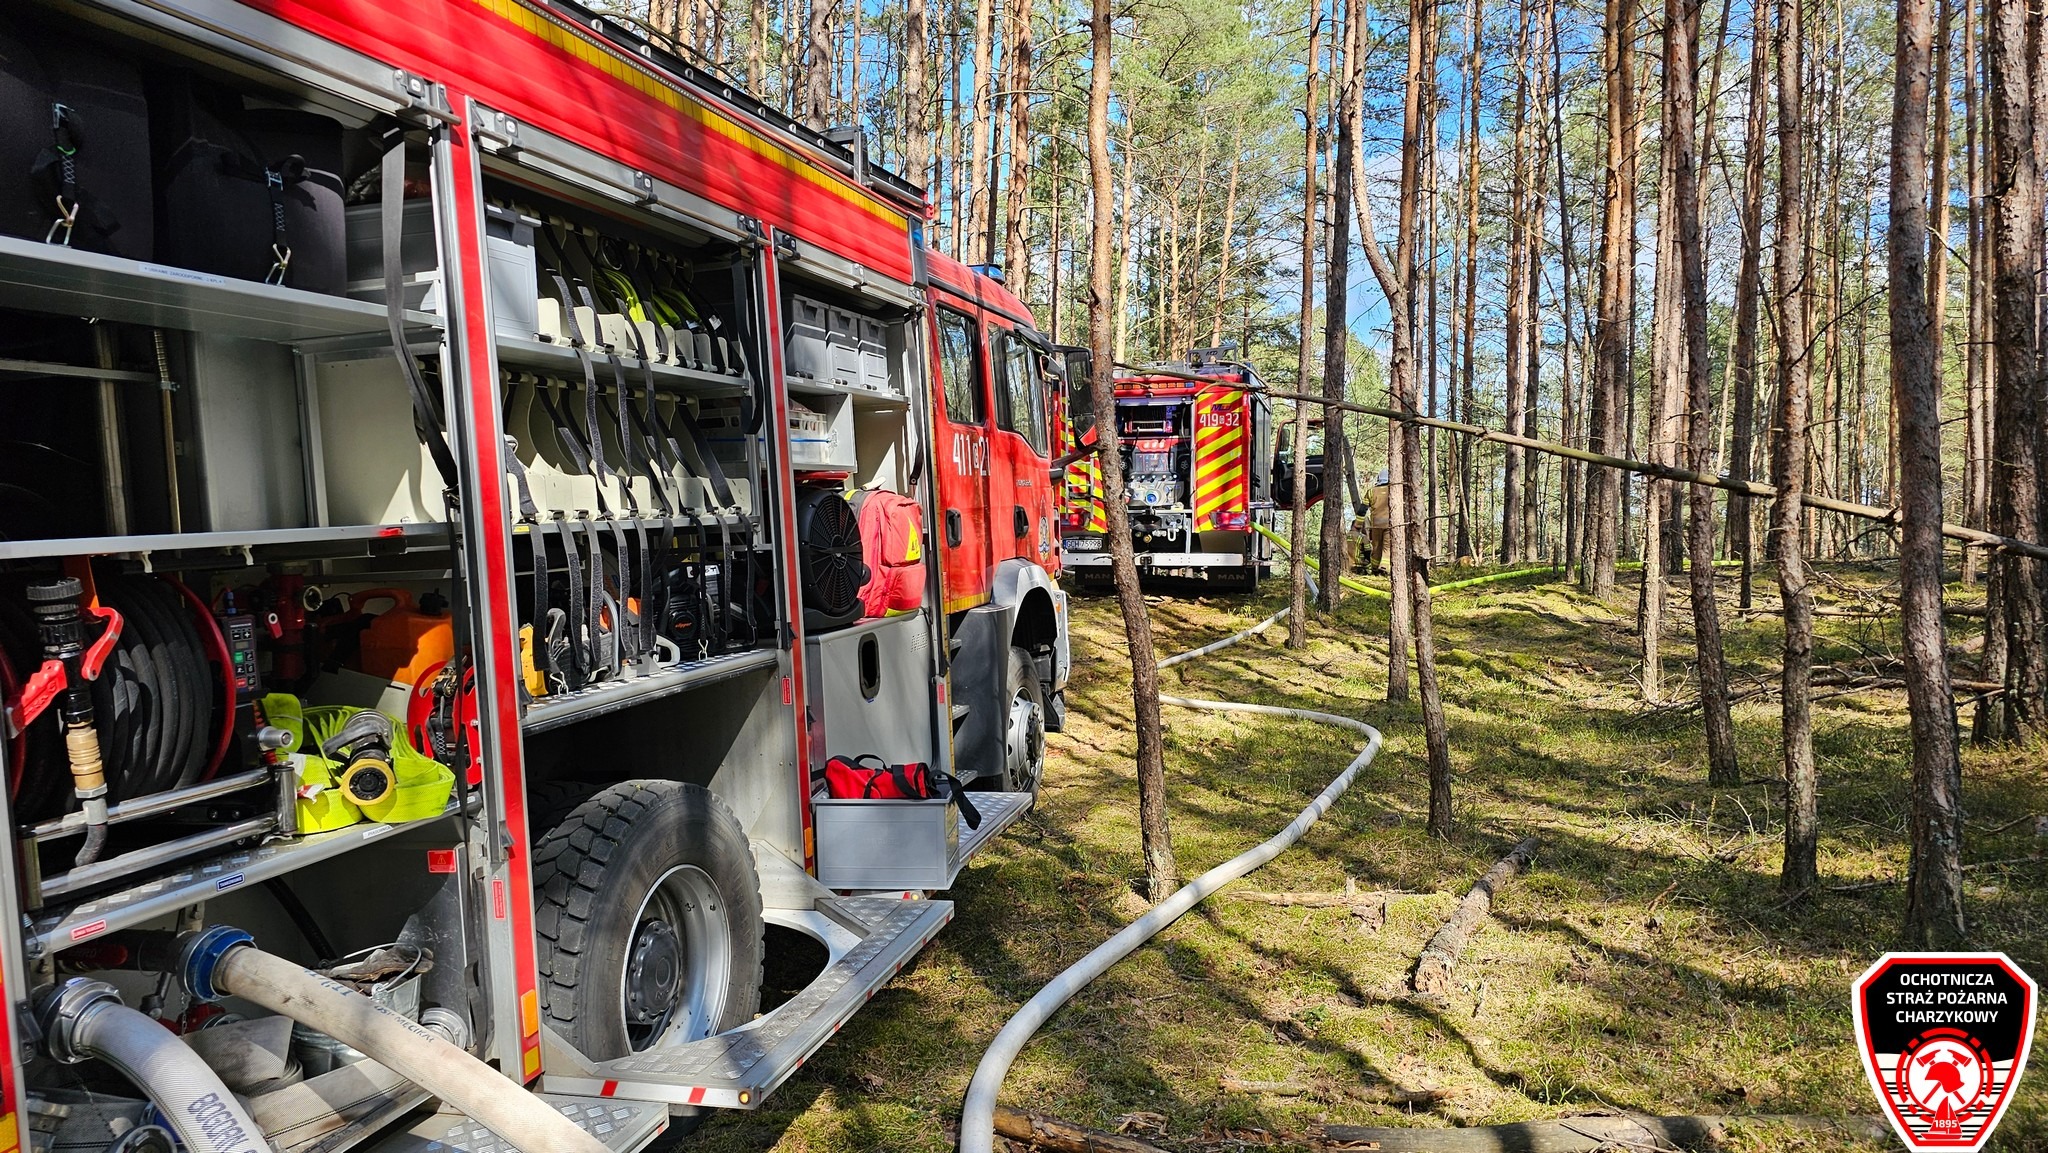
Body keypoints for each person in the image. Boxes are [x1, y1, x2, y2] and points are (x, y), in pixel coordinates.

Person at [1365, 470, 1392, 574]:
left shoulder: (1371, 491)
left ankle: (1375, 569)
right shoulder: (1393, 490)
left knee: (1376, 548)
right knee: (1387, 548)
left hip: (1375, 526)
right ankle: (1384, 568)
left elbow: (1363, 509)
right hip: (1390, 525)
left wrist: (1358, 525)